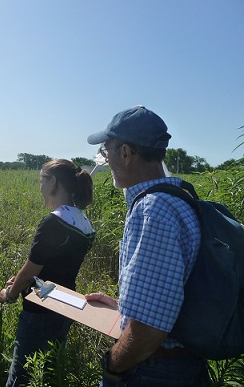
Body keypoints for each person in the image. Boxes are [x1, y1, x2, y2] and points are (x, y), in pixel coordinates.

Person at [85, 105, 210, 386]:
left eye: (107, 151)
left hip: (156, 371)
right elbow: (171, 296)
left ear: (126, 153)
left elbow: (151, 329)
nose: (105, 159)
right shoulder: (178, 197)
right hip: (181, 366)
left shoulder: (153, 210)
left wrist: (114, 366)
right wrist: (123, 307)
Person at [0, 159, 95, 387]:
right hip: (65, 308)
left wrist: (10, 293)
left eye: (41, 180)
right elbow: (55, 268)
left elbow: (33, 270)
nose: (40, 186)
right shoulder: (85, 225)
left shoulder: (53, 222)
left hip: (39, 310)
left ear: (53, 182)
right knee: (48, 375)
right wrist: (23, 279)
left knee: (21, 377)